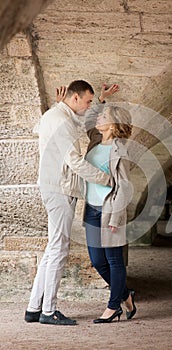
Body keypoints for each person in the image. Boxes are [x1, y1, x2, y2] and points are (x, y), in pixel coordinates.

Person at [25, 80, 116, 326]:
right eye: (87, 101)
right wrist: (106, 178)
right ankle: (48, 311)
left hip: (54, 187)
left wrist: (100, 103)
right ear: (74, 98)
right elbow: (75, 161)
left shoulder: (57, 115)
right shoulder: (60, 119)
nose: (88, 107)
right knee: (59, 249)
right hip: (59, 189)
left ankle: (34, 308)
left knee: (52, 248)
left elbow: (78, 124)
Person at [83, 96, 137, 323]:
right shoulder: (95, 140)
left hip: (109, 210)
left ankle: (113, 306)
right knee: (97, 261)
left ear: (113, 124)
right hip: (91, 209)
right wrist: (101, 100)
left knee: (114, 260)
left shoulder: (119, 151)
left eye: (103, 116)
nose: (98, 118)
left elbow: (124, 185)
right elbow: (86, 120)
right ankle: (125, 295)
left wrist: (116, 216)